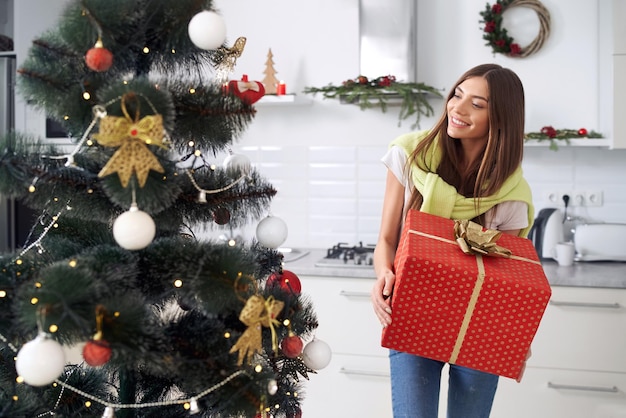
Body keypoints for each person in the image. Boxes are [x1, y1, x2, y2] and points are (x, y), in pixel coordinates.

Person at [370, 63, 535, 418]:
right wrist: (382, 275)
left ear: (501, 118)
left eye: (477, 104)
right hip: (414, 314)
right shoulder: (409, 156)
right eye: (457, 95)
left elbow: (507, 280)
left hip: (480, 329)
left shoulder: (511, 195)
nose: (457, 109)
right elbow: (386, 238)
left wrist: (516, 339)